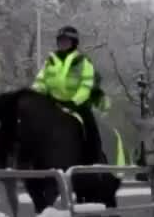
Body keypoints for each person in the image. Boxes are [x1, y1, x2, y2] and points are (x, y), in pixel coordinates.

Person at [32, 25, 104, 163]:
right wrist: (36, 95)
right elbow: (40, 81)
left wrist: (74, 101)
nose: (62, 44)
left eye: (65, 41)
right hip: (53, 103)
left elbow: (86, 85)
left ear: (74, 43)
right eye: (60, 41)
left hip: (76, 105)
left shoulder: (83, 62)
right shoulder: (50, 61)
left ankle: (95, 158)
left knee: (91, 128)